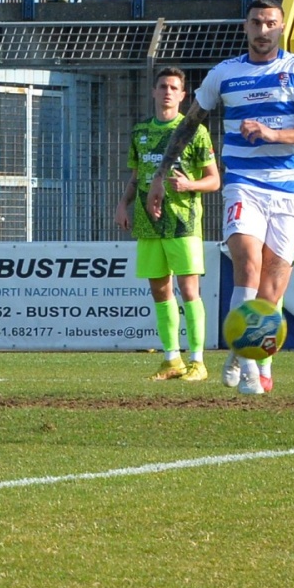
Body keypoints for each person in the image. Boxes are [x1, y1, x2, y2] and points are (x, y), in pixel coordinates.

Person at [147, 0, 294, 396]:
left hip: (290, 192)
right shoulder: (224, 74)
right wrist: (160, 175)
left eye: (271, 23)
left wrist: (275, 134)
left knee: (272, 289)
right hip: (244, 184)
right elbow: (189, 124)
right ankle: (250, 370)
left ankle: (241, 353)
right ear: (245, 27)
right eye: (256, 23)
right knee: (248, 264)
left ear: (282, 28)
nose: (263, 31)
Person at [114, 67, 219, 382]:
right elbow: (137, 176)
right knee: (160, 291)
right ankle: (172, 359)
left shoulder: (194, 131)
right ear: (154, 92)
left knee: (189, 290)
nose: (168, 92)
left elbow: (214, 181)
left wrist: (190, 186)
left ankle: (198, 361)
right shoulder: (140, 131)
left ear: (184, 95)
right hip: (148, 225)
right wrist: (123, 204)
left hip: (183, 223)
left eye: (175, 87)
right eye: (163, 86)